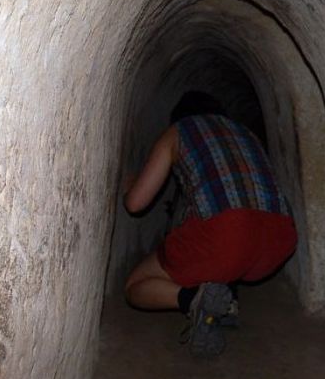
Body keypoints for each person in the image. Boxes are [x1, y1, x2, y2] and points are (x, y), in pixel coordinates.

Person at [123, 91, 297, 357]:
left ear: (179, 116)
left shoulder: (178, 132)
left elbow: (136, 204)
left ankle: (193, 299)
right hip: (281, 237)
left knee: (136, 285)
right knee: (219, 242)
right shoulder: (246, 133)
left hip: (227, 235)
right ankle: (226, 299)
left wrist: (128, 186)